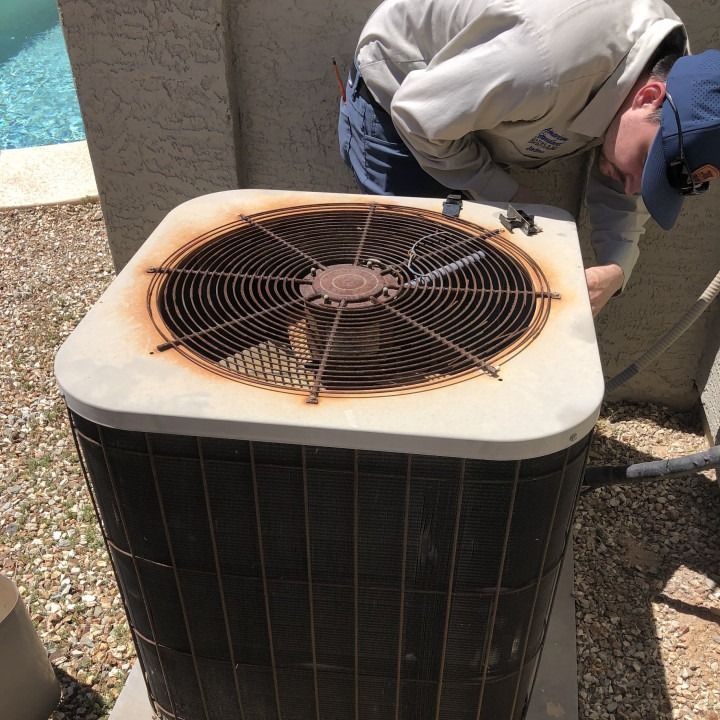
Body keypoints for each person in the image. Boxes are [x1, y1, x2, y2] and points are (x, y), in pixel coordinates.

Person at [338, 0, 720, 315]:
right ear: (647, 97)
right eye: (644, 164)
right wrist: (506, 193)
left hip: (471, 106)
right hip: (404, 92)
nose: (635, 186)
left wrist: (616, 268)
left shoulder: (679, 82)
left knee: (465, 285)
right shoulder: (544, 63)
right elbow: (417, 114)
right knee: (408, 282)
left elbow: (630, 166)